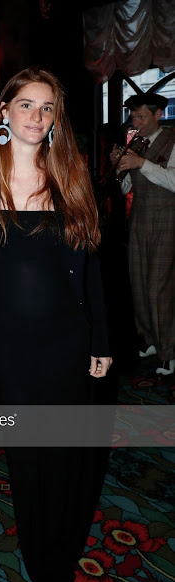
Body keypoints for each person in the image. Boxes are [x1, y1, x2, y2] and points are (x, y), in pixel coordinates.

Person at [0, 66, 112, 582]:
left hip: (67, 342)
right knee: (27, 454)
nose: (36, 116)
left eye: (47, 107)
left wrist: (100, 339)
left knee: (66, 450)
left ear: (57, 118)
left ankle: (62, 544)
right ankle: (38, 550)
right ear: (4, 111)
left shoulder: (70, 176)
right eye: (26, 104)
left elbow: (92, 268)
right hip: (10, 350)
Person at [110, 91, 175, 376]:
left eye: (141, 117)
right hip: (138, 219)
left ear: (158, 115)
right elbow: (127, 187)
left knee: (159, 287)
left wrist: (141, 163)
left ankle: (168, 352)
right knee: (138, 282)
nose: (135, 123)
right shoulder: (135, 143)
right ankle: (148, 339)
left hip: (167, 220)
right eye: (133, 117)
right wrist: (119, 169)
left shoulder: (172, 140)